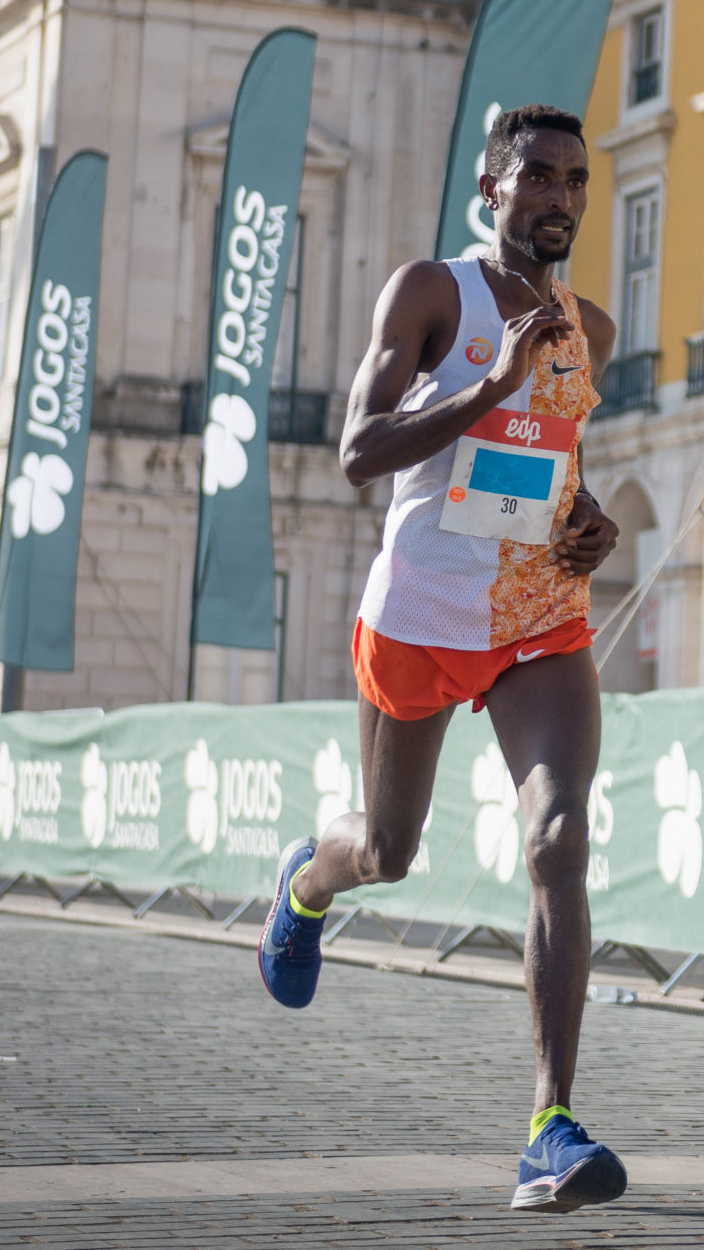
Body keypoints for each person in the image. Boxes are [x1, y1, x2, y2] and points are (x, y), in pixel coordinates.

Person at [255, 104, 626, 1213]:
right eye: (538, 177)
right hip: (417, 612)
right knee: (386, 847)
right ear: (491, 189)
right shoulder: (431, 292)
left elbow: (554, 467)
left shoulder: (590, 327)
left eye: (575, 179)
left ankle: (548, 1126)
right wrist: (483, 387)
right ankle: (306, 879)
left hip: (533, 612)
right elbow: (358, 452)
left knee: (559, 837)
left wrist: (586, 520)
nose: (558, 195)